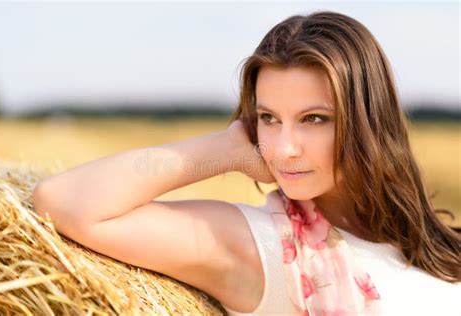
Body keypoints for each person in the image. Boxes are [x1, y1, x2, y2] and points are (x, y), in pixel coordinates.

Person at [33, 10, 460, 316]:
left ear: (368, 121)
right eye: (269, 119)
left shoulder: (439, 244)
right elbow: (64, 202)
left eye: (314, 119)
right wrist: (227, 149)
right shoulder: (262, 249)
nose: (284, 147)